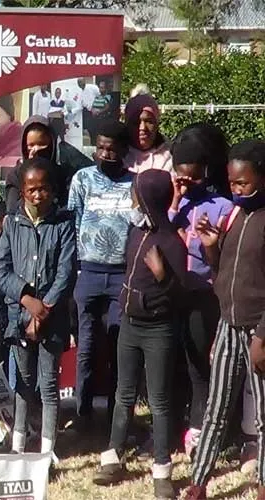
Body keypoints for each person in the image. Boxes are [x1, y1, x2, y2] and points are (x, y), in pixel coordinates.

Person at [93, 169, 187, 499]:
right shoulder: (137, 231)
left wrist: (163, 276)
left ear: (148, 199)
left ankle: (162, 469)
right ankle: (113, 457)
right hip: (130, 325)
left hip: (158, 330)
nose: (132, 201)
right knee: (124, 393)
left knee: (159, 401)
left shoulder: (172, 242)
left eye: (136, 195)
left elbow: (180, 295)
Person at [183, 140, 265, 500]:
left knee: (262, 417)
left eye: (243, 183)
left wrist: (262, 337)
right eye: (232, 183)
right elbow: (223, 276)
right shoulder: (233, 216)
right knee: (215, 409)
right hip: (229, 326)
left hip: (259, 332)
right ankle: (198, 482)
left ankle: (262, 484)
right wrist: (211, 245)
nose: (236, 190)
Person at [0, 157, 76, 456]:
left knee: (49, 383)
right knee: (23, 382)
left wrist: (44, 309)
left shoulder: (63, 224)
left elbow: (66, 271)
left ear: (53, 191)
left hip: (52, 317)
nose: (38, 195)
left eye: (44, 189)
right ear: (22, 192)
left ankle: (47, 450)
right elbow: (1, 269)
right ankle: (18, 444)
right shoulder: (12, 224)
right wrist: (28, 301)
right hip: (19, 315)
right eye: (32, 190)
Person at [168, 124, 233, 458]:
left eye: (194, 177)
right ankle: (171, 426)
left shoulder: (222, 205)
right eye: (182, 176)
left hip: (202, 295)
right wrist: (175, 199)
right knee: (173, 364)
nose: (188, 182)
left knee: (198, 366)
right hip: (174, 293)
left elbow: (221, 260)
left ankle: (199, 428)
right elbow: (162, 229)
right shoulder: (179, 202)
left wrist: (209, 244)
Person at [67, 120, 135, 426]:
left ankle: (116, 418)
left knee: (119, 346)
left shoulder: (134, 183)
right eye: (101, 148)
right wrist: (77, 270)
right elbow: (74, 223)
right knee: (87, 345)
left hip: (122, 275)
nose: (105, 154)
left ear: (124, 150)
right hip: (89, 273)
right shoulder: (82, 179)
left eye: (112, 149)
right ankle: (83, 415)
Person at [3, 116, 92, 214]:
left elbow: (70, 207)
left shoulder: (63, 175)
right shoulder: (15, 176)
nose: (36, 149)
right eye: (31, 145)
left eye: (41, 144)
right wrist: (30, 167)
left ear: (51, 144)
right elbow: (13, 210)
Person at [124, 94, 173, 173]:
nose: (142, 128)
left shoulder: (172, 154)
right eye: (136, 122)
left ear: (157, 123)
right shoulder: (117, 154)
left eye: (149, 121)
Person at [77, 78, 101, 145]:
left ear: (84, 81)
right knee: (89, 130)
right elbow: (80, 105)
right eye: (79, 83)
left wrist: (95, 107)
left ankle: (96, 144)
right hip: (87, 112)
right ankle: (92, 144)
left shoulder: (92, 87)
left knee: (95, 130)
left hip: (96, 111)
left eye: (81, 82)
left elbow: (100, 95)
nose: (80, 84)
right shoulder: (80, 92)